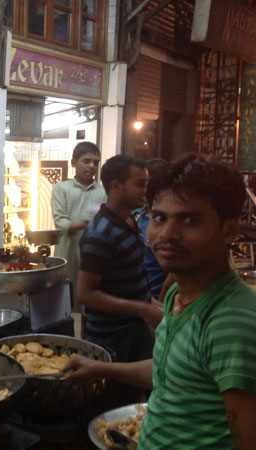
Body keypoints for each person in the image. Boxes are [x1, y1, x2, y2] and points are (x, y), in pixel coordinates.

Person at [65, 155, 256, 449]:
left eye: (191, 220)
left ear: (229, 231)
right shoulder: (176, 297)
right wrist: (99, 367)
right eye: (159, 217)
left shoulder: (230, 321)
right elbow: (167, 372)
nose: (167, 234)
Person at [77, 154, 163, 410]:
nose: (145, 190)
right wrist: (141, 308)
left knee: (134, 399)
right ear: (116, 186)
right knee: (109, 403)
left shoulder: (129, 221)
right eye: (139, 183)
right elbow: (86, 294)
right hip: (110, 337)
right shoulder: (100, 233)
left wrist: (153, 303)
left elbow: (131, 278)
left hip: (136, 330)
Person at [50, 141, 107, 311]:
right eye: (86, 161)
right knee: (66, 294)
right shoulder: (61, 188)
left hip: (93, 251)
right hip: (68, 248)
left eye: (96, 162)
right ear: (73, 163)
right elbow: (60, 221)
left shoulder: (103, 192)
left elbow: (104, 222)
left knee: (90, 294)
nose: (91, 166)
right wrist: (86, 225)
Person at [133, 158, 172, 299]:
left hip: (157, 298)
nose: (141, 189)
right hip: (138, 297)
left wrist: (161, 303)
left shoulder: (168, 221)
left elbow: (172, 273)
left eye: (143, 183)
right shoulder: (138, 214)